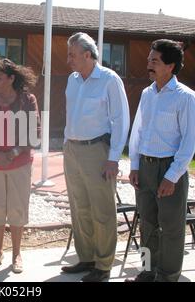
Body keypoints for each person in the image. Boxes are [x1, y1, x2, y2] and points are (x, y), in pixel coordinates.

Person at [61, 32, 130, 282]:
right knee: (79, 207)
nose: (68, 59)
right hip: (73, 150)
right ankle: (87, 257)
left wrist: (113, 158)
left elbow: (121, 120)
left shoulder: (109, 80)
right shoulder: (73, 79)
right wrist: (68, 142)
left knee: (102, 210)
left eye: (73, 54)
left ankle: (103, 265)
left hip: (97, 151)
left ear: (88, 55)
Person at [127, 39, 195, 282]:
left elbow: (189, 143)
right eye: (149, 60)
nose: (149, 64)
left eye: (154, 61)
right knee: (146, 226)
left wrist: (172, 176)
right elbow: (138, 131)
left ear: (171, 66)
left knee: (172, 229)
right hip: (145, 167)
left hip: (169, 170)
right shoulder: (147, 94)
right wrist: (134, 165)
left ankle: (167, 277)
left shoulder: (186, 97)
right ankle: (147, 272)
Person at [0, 57, 40, 274]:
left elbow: (35, 131)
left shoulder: (27, 100)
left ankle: (16, 253)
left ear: (11, 78)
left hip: (20, 163)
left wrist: (14, 152)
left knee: (16, 208)